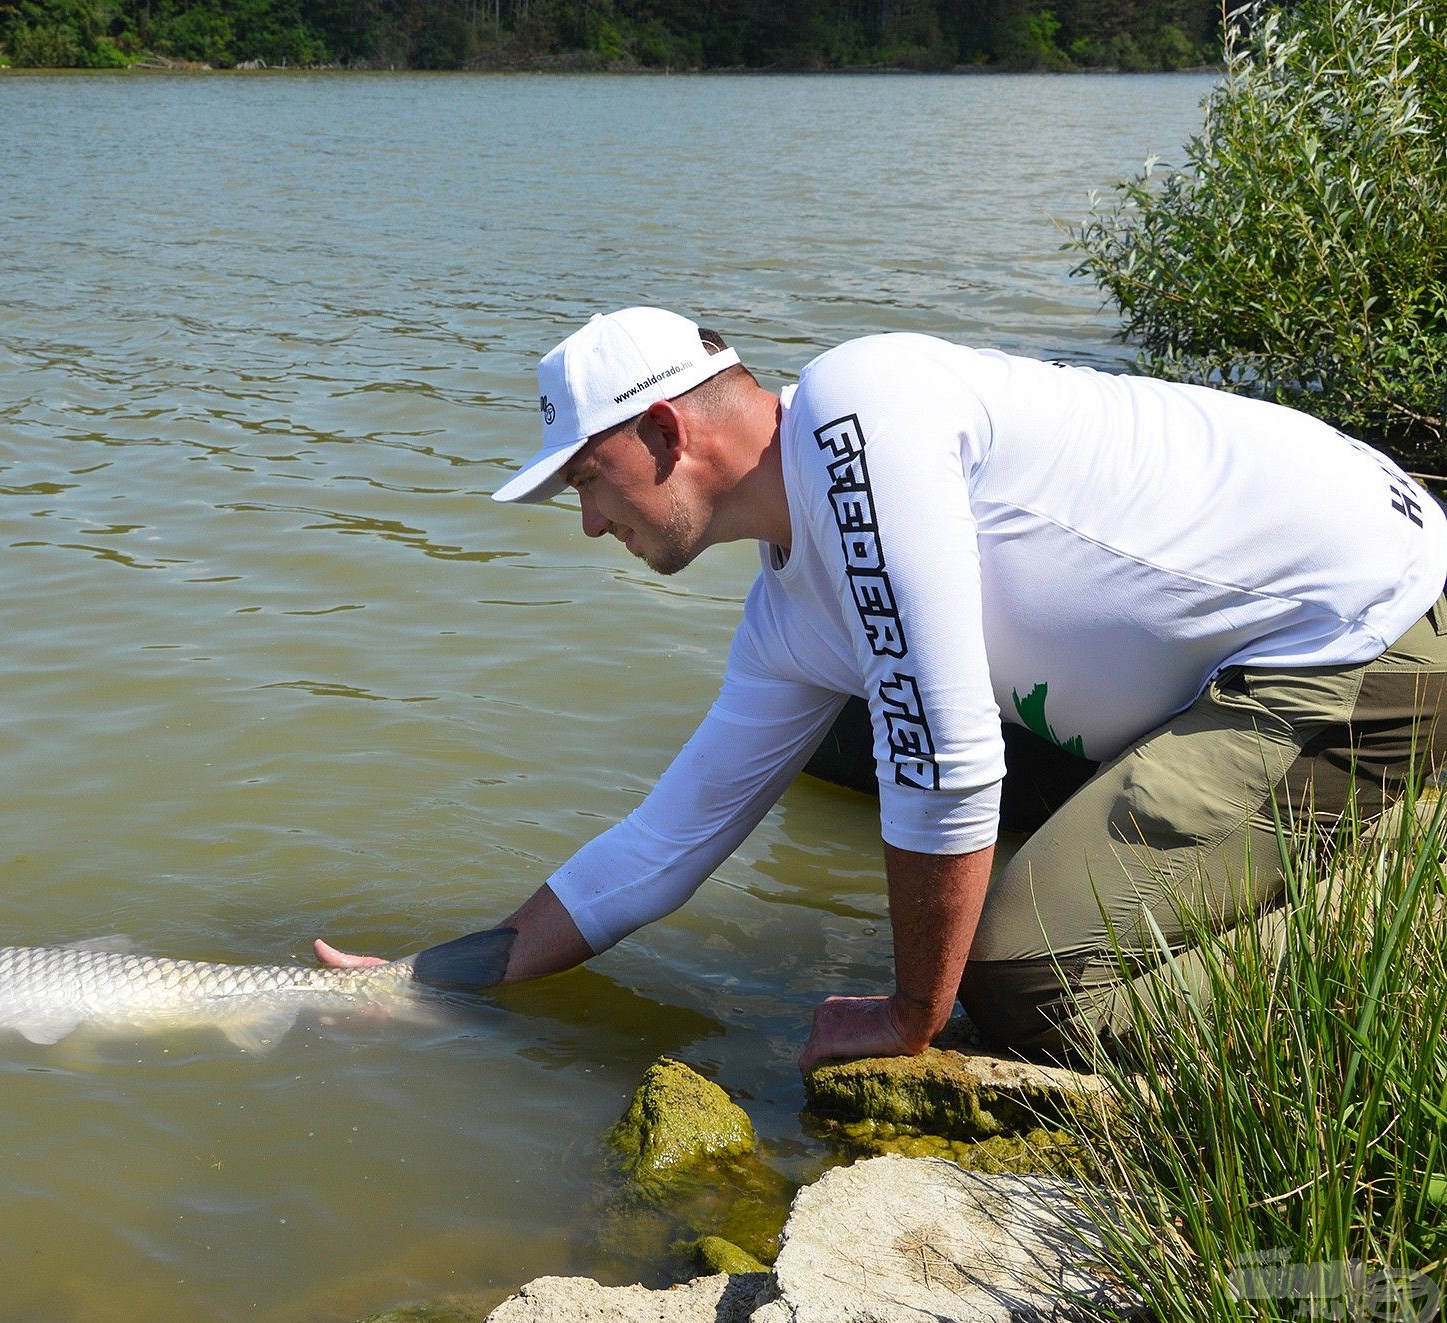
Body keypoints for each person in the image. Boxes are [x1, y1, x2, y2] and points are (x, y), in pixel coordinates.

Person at [316, 307, 1447, 1067]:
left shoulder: (858, 408)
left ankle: (1402, 947)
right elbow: (662, 844)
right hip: (1259, 639)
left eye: (591, 480)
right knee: (876, 781)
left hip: (1361, 625)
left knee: (1023, 979)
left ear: (664, 430)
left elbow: (947, 762)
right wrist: (423, 978)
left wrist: (914, 1013)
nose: (589, 519)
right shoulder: (788, 617)